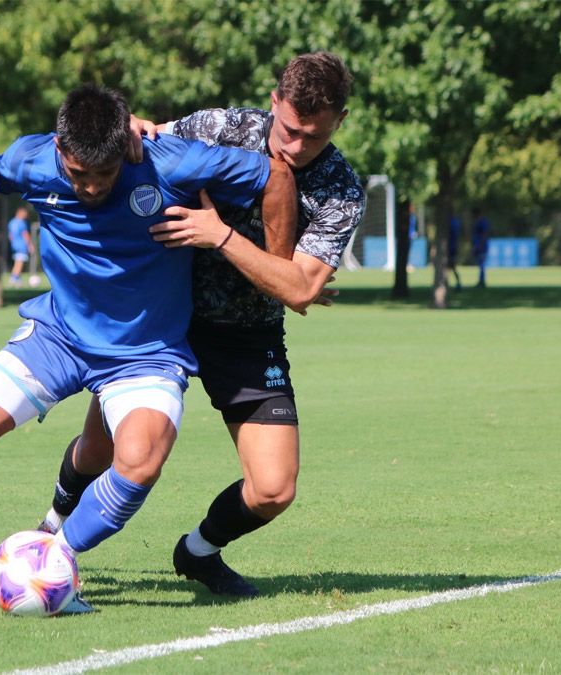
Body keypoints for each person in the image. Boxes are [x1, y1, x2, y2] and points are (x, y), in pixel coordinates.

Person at [0, 84, 296, 612]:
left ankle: (54, 561)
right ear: (59, 149)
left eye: (104, 174)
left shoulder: (171, 162)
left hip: (146, 352)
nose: (90, 186)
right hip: (59, 336)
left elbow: (274, 176)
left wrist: (273, 269)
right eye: (77, 174)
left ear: (125, 149)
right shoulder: (33, 158)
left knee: (138, 461)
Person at [37, 52, 365, 598]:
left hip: (247, 333)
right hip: (164, 318)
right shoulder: (222, 128)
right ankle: (48, 531)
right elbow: (142, 137)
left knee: (274, 488)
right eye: (289, 130)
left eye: (314, 136)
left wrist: (221, 235)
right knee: (101, 453)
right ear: (275, 102)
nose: (296, 146)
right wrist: (133, 126)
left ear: (340, 122)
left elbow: (300, 289)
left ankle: (198, 550)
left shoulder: (340, 189)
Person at [6, 206, 35, 287]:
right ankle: (14, 278)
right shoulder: (21, 222)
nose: (26, 215)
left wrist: (13, 243)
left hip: (14, 245)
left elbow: (10, 235)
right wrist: (30, 245)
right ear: (20, 213)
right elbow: (25, 234)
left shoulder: (12, 222)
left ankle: (17, 278)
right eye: (25, 213)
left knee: (17, 262)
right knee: (20, 262)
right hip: (21, 245)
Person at [471, 207, 490, 288]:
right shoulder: (479, 222)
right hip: (479, 246)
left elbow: (484, 234)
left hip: (481, 247)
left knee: (482, 264)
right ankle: (481, 281)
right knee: (480, 264)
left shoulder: (482, 222)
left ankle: (482, 282)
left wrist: (479, 246)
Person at [447, 214, 463, 290]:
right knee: (451, 267)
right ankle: (456, 283)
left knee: (451, 266)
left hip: (450, 248)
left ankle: (457, 283)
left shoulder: (450, 222)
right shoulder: (456, 222)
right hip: (453, 248)